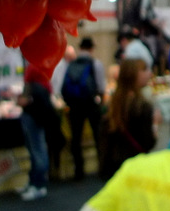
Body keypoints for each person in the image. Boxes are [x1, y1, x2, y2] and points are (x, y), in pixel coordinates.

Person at [98, 59, 159, 180]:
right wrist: (155, 124)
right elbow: (148, 143)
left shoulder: (112, 103)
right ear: (134, 74)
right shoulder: (142, 106)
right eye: (144, 69)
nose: (149, 73)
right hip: (136, 166)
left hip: (113, 166)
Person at [62, 38, 105, 181]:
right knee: (98, 135)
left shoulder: (71, 64)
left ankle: (78, 171)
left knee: (76, 137)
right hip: (91, 104)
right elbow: (100, 86)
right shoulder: (95, 64)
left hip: (75, 105)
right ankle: (102, 167)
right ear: (91, 49)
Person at [17, 65, 61, 201]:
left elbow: (24, 102)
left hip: (34, 122)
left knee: (37, 153)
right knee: (36, 152)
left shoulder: (34, 88)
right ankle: (34, 183)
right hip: (37, 122)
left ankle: (38, 185)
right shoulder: (44, 86)